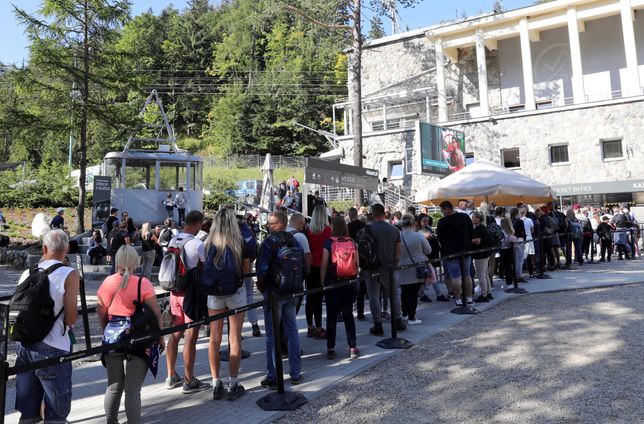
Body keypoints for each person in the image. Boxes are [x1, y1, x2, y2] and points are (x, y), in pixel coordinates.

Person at [14, 229, 80, 424]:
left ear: (44, 248)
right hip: (53, 347)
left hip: (24, 345)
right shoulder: (70, 274)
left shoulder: (29, 272)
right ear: (67, 249)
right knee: (56, 414)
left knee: (28, 414)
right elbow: (70, 318)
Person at [97, 245, 164, 424]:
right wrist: (161, 337)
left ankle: (111, 421)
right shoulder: (144, 284)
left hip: (113, 336)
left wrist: (106, 332)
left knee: (113, 387)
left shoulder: (107, 283)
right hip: (139, 338)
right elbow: (156, 314)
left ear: (117, 261)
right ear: (136, 261)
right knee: (133, 389)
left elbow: (102, 313)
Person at [203, 208, 250, 401]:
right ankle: (233, 383)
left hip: (214, 292)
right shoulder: (239, 243)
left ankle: (216, 383)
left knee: (214, 339)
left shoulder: (207, 243)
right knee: (234, 338)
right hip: (235, 291)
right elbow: (247, 270)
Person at [165, 210, 211, 394]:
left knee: (175, 335)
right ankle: (188, 379)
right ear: (199, 224)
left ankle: (170, 375)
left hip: (174, 292)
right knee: (191, 337)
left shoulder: (173, 240)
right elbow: (206, 268)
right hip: (191, 295)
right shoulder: (197, 244)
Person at [256, 212, 303, 389]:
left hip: (275, 293)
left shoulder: (269, 243)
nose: (267, 226)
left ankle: (273, 375)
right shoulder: (295, 241)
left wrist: (263, 289)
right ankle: (296, 373)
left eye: (270, 223)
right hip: (292, 291)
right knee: (292, 331)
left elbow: (261, 270)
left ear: (279, 224)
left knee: (272, 335)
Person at [320, 218, 360, 359]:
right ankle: (353, 347)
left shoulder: (329, 242)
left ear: (333, 227)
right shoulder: (352, 242)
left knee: (331, 316)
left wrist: (322, 281)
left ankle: (331, 348)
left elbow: (324, 264)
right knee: (348, 315)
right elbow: (357, 264)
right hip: (348, 282)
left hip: (333, 282)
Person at [365, 204, 406, 335]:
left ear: (373, 213)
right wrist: (395, 264)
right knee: (393, 293)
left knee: (373, 296)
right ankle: (398, 320)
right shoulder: (394, 230)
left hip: (371, 267)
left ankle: (377, 324)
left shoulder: (368, 229)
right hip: (389, 266)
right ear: (384, 213)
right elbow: (398, 252)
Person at [436, 201, 474, 306]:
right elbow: (471, 233)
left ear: (446, 209)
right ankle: (469, 298)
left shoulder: (443, 221)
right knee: (467, 275)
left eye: (442, 210)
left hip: (450, 252)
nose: (442, 212)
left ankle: (458, 300)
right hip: (465, 250)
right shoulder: (465, 217)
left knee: (455, 277)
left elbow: (440, 238)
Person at [399, 214, 431, 324]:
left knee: (404, 292)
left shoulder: (398, 236)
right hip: (416, 267)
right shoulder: (419, 236)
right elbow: (428, 250)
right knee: (413, 292)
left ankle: (404, 314)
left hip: (401, 267)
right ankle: (412, 317)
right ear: (413, 223)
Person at [305, 205, 331, 339]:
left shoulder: (308, 230)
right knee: (319, 298)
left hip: (310, 266)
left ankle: (310, 326)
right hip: (322, 267)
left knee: (310, 298)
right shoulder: (328, 230)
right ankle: (319, 326)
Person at [347, 208, 368, 319]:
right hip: (364, 257)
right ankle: (361, 311)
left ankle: (359, 311)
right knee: (363, 286)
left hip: (353, 257)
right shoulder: (363, 225)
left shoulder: (348, 227)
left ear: (350, 215)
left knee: (358, 286)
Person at [471, 211, 492, 302]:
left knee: (481, 275)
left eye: (473, 217)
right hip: (485, 254)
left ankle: (484, 295)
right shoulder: (483, 227)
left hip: (480, 255)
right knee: (485, 274)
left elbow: (477, 241)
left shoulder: (479, 229)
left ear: (478, 219)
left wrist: (469, 240)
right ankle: (488, 292)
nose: (472, 219)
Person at [499, 216, 517, 288]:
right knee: (510, 266)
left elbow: (501, 241)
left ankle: (509, 283)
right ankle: (510, 282)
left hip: (504, 250)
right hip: (510, 250)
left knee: (507, 267)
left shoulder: (502, 231)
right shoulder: (511, 231)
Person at [510, 208, 527, 281]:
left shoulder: (510, 221)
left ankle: (514, 274)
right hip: (519, 239)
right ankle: (518, 275)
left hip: (512, 240)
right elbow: (523, 232)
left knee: (514, 259)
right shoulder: (520, 221)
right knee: (520, 259)